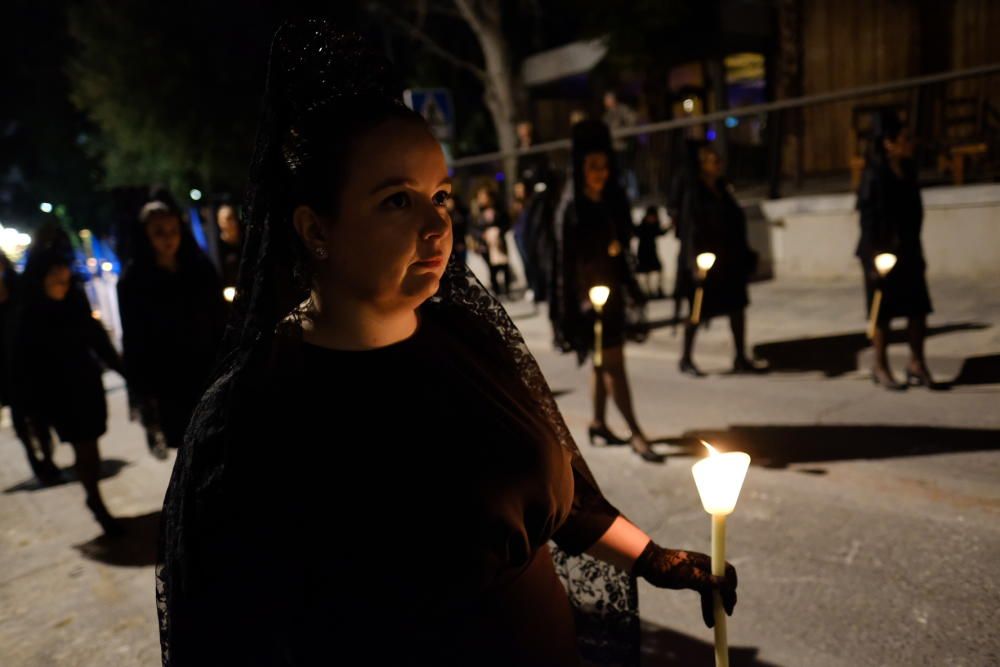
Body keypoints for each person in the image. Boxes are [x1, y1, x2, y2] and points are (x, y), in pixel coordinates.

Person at [156, 21, 737, 667]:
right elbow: (235, 634)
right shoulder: (255, 418)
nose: (438, 225)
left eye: (441, 195)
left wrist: (654, 557)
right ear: (315, 229)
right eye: (396, 201)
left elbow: (558, 499)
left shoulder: (470, 341)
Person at [552, 120, 661, 463]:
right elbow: (566, 265)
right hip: (590, 303)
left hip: (611, 294)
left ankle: (598, 422)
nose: (600, 173)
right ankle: (636, 433)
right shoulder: (572, 209)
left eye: (604, 165)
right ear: (580, 168)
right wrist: (578, 303)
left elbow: (618, 251)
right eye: (592, 166)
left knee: (601, 362)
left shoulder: (608, 203)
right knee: (614, 364)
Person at [11, 237, 125, 535]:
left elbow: (97, 340)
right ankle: (96, 502)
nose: (62, 282)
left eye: (64, 276)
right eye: (55, 277)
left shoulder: (75, 302)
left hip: (85, 385)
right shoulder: (30, 315)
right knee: (83, 447)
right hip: (59, 393)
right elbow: (25, 362)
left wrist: (123, 369)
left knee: (91, 446)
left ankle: (94, 497)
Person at [118, 201, 226, 459]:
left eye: (173, 230)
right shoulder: (133, 281)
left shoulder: (200, 269)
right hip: (168, 379)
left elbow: (220, 318)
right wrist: (143, 392)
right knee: (190, 447)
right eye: (159, 232)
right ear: (145, 235)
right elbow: (134, 337)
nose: (168, 239)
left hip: (208, 369)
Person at [856, 110, 935, 389]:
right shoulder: (874, 175)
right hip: (881, 253)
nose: (909, 143)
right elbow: (867, 220)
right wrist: (872, 261)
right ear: (888, 143)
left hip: (909, 249)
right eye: (904, 138)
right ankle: (880, 365)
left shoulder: (909, 170)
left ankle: (917, 362)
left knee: (917, 309)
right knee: (883, 312)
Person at [679, 146, 759, 377]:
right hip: (706, 263)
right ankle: (686, 358)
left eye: (719, 160)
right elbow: (690, 229)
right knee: (697, 310)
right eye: (713, 161)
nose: (718, 165)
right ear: (702, 166)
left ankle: (740, 356)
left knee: (737, 308)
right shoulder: (695, 194)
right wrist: (695, 263)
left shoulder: (723, 190)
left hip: (729, 260)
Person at [0, 250, 62, 485]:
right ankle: (35, 459)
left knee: (39, 418)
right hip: (6, 373)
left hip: (28, 367)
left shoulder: (21, 291)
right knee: (20, 422)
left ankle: (47, 459)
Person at [474, 186, 512, 297]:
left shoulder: (499, 210)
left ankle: (507, 290)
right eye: (479, 197)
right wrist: (481, 235)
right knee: (491, 269)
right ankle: (497, 291)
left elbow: (506, 223)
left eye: (483, 197)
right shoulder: (476, 213)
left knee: (504, 266)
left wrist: (498, 232)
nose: (481, 199)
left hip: (499, 243)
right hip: (486, 245)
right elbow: (472, 228)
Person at [635, 205, 670, 298]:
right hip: (643, 253)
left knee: (656, 270)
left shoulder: (653, 226)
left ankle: (655, 290)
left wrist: (669, 226)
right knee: (646, 272)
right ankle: (647, 292)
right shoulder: (643, 227)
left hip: (651, 252)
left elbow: (661, 232)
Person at [215, 203, 244, 289]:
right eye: (228, 219)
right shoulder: (217, 246)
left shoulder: (245, 238)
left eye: (234, 217)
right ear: (220, 222)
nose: (233, 222)